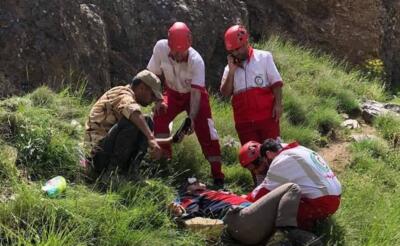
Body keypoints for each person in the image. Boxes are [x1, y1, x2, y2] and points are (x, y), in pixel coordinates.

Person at [147, 22, 224, 187]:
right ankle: (164, 164)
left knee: (207, 130)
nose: (179, 55)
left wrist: (191, 118)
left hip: (194, 96)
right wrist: (158, 99)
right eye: (176, 51)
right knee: (159, 117)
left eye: (183, 52)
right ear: (169, 45)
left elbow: (196, 94)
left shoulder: (197, 61)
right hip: (172, 93)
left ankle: (217, 175)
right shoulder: (160, 48)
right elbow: (151, 76)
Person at [169, 177, 323, 246]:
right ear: (187, 189)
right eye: (191, 181)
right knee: (292, 187)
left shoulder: (214, 192)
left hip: (252, 223)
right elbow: (188, 214)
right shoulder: (191, 196)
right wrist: (179, 210)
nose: (196, 181)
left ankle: (282, 235)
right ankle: (283, 233)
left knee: (312, 242)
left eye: (196, 179)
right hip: (240, 221)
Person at [239, 139, 342, 228]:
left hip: (323, 203)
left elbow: (262, 195)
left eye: (256, 166)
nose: (256, 172)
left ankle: (296, 236)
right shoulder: (298, 149)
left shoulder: (280, 162)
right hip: (335, 197)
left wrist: (242, 200)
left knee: (272, 211)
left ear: (268, 154)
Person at [84, 70, 166, 181]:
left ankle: (131, 172)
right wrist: (150, 138)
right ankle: (112, 174)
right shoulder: (121, 93)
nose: (152, 100)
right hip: (97, 156)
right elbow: (132, 111)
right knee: (134, 120)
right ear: (142, 87)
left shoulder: (130, 98)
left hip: (107, 150)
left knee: (146, 121)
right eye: (152, 95)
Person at [220, 24, 283, 145]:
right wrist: (232, 72)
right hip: (244, 123)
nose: (236, 53)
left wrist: (279, 104)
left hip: (267, 118)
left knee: (273, 155)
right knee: (253, 160)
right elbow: (225, 93)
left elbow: (276, 83)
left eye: (238, 49)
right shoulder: (228, 68)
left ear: (246, 42)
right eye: (233, 51)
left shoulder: (264, 57)